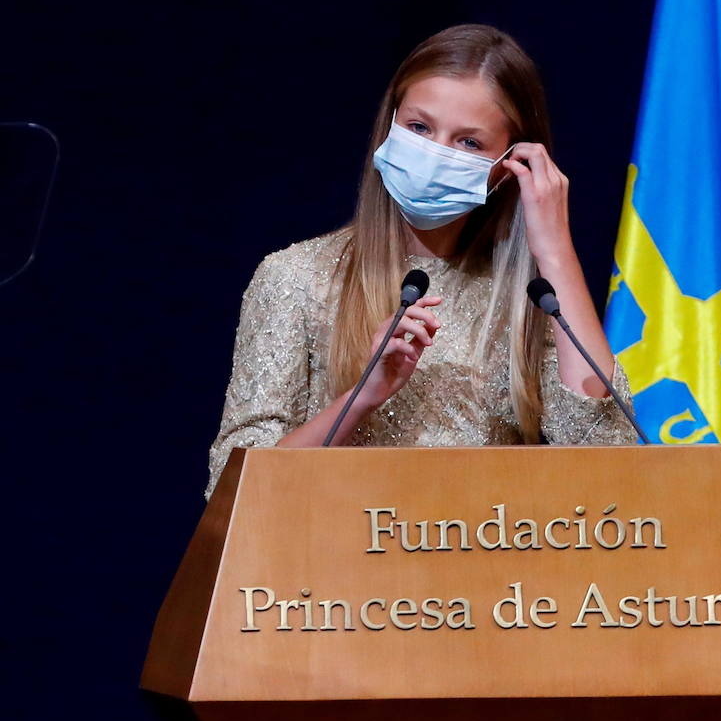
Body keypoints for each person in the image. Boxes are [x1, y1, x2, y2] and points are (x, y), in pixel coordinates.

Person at [206, 24, 637, 498]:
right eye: (419, 127)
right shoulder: (297, 277)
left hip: (492, 563)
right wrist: (361, 397)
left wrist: (554, 249)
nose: (435, 154)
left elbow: (607, 452)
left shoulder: (536, 298)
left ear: (511, 162)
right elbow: (235, 493)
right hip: (335, 562)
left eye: (469, 143)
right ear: (389, 124)